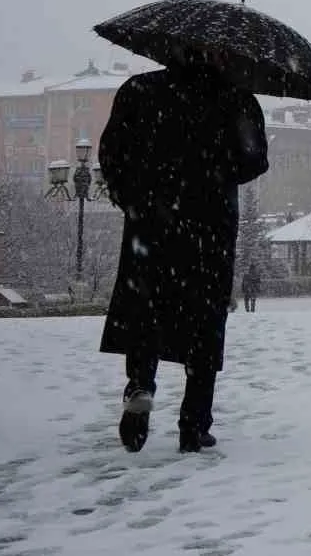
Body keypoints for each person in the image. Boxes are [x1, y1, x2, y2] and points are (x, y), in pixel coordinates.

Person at [98, 49, 268, 454]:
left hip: (151, 222)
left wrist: (133, 197)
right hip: (210, 225)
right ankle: (194, 424)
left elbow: (111, 153)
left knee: (147, 308)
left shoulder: (140, 89)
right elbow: (255, 162)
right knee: (204, 320)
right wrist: (214, 167)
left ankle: (140, 386)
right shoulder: (235, 98)